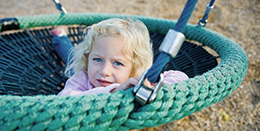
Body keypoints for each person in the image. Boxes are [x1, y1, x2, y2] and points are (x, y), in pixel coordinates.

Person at [51, 18, 189, 96]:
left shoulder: (138, 78)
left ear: (134, 67)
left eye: (117, 63)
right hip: (79, 64)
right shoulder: (83, 75)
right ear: (88, 60)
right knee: (72, 56)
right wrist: (114, 90)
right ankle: (60, 38)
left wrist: (155, 86)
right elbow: (64, 98)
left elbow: (182, 77)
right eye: (97, 59)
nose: (104, 71)